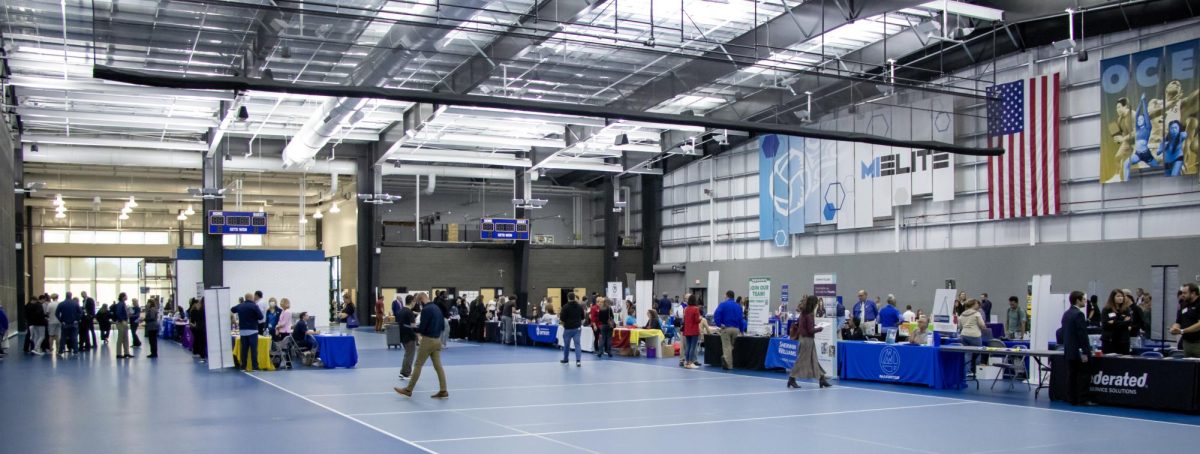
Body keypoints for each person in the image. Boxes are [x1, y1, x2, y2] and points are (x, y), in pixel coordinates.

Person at [394, 293, 449, 399]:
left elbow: (422, 329)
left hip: (428, 340)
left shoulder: (426, 310)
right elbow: (442, 326)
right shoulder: (437, 308)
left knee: (418, 365)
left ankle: (408, 389)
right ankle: (443, 390)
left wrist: (412, 328)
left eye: (419, 302)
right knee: (438, 367)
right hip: (437, 340)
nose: (419, 305)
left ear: (422, 300)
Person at [788, 296, 832, 389]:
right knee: (801, 360)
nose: (817, 305)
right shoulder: (810, 314)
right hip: (807, 340)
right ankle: (791, 378)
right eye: (816, 303)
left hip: (803, 338)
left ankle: (822, 378)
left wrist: (814, 326)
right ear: (814, 304)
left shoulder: (803, 313)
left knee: (814, 360)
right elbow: (810, 330)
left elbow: (804, 326)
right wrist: (820, 328)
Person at [1061, 291, 1094, 405]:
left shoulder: (1066, 314)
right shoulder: (1079, 314)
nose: (1085, 301)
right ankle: (1083, 398)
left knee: (1071, 374)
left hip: (1069, 350)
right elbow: (1082, 335)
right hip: (1079, 351)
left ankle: (1071, 398)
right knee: (1084, 375)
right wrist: (1086, 351)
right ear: (1077, 300)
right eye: (1083, 299)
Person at [231, 292, 265, 371]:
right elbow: (261, 317)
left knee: (244, 350)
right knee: (253, 350)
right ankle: (254, 367)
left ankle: (243, 366)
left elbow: (232, 309)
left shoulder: (240, 305)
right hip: (253, 330)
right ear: (251, 298)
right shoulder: (254, 306)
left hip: (243, 331)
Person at [713, 290, 744, 370]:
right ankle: (725, 357)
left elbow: (716, 314)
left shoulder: (723, 304)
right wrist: (742, 330)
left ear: (727, 296)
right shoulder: (738, 306)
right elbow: (741, 319)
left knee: (727, 347)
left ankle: (728, 365)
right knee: (731, 346)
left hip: (726, 328)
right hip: (736, 329)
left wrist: (719, 324)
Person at [958, 299, 988, 376]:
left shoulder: (962, 314)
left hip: (964, 335)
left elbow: (959, 326)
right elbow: (982, 325)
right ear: (973, 305)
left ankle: (967, 372)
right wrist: (983, 328)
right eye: (977, 304)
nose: (978, 305)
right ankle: (977, 371)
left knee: (967, 354)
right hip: (975, 335)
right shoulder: (976, 313)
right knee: (978, 353)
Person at [1170, 283, 1200, 357]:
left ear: (1193, 293)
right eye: (1182, 293)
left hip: (1198, 343)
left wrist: (1183, 331)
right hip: (1186, 343)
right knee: (1187, 366)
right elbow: (1178, 321)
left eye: (1185, 293)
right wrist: (1174, 328)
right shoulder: (1184, 304)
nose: (1182, 295)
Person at [1100, 289, 1133, 355]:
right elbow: (1106, 324)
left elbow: (1129, 322)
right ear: (1113, 298)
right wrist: (1122, 321)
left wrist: (1114, 322)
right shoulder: (1106, 309)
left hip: (1123, 341)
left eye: (1122, 296)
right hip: (1110, 340)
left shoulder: (1126, 309)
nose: (1121, 298)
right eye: (1118, 296)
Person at [559, 293, 585, 367]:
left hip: (568, 329)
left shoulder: (565, 307)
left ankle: (566, 359)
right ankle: (578, 361)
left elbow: (562, 319)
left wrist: (564, 325)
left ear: (568, 298)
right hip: (577, 329)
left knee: (566, 345)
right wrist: (580, 325)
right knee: (577, 344)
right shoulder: (580, 306)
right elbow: (583, 318)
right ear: (574, 297)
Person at [681, 294, 702, 369]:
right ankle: (690, 362)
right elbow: (697, 320)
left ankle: (686, 362)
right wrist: (700, 318)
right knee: (693, 347)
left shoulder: (686, 309)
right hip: (694, 331)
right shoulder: (696, 309)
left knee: (688, 347)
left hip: (687, 330)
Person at [113, 293, 132, 359]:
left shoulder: (123, 304)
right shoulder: (120, 304)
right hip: (121, 322)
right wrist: (122, 320)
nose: (127, 297)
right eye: (126, 295)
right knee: (120, 338)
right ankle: (118, 354)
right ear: (123, 297)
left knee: (126, 338)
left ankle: (126, 353)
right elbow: (118, 313)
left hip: (124, 322)